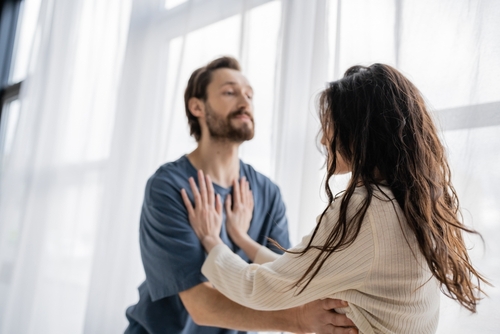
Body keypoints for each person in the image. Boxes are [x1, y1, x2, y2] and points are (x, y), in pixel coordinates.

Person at [183, 63, 489, 333]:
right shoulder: (410, 203)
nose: (323, 138)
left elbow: (261, 287)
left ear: (359, 130)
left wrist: (212, 239)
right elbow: (306, 271)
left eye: (329, 124)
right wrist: (242, 240)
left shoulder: (365, 210)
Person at [125, 56, 357, 334]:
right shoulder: (169, 186)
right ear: (197, 106)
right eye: (230, 92)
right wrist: (298, 320)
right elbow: (201, 306)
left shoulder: (268, 193)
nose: (245, 101)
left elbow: (282, 281)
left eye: (249, 94)